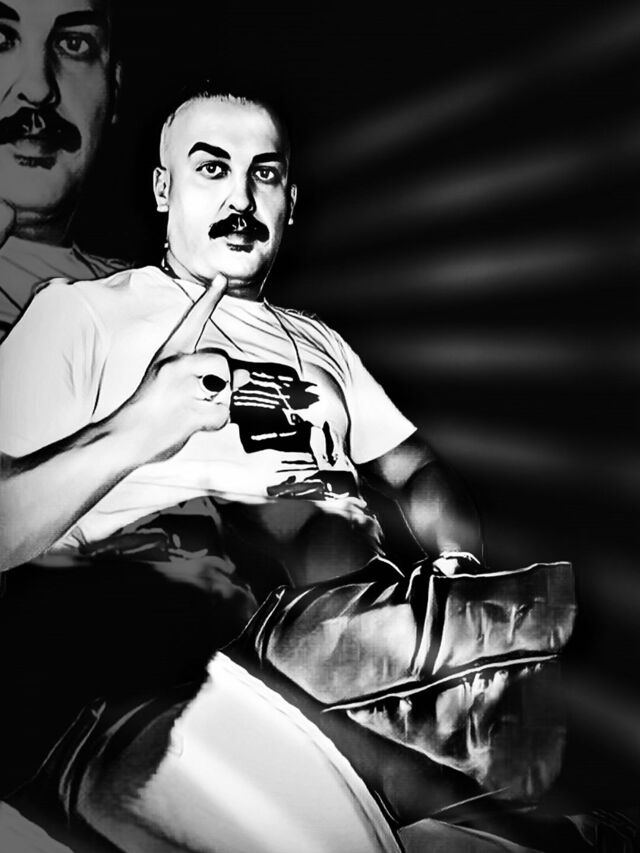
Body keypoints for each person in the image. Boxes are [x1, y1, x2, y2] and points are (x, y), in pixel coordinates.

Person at [0, 83, 582, 853]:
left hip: (361, 620)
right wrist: (137, 429)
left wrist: (454, 564)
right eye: (212, 169)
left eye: (264, 174)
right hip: (201, 630)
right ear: (163, 188)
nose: (241, 198)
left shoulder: (321, 343)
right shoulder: (82, 314)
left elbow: (415, 468)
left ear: (290, 202)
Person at [0, 0, 126, 338]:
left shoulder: (159, 299)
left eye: (74, 44)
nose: (38, 89)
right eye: (0, 38)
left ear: (115, 88)